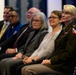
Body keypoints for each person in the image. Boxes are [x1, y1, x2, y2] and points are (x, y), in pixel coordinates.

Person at [21, 4, 76, 75]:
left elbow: (69, 54)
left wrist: (50, 61)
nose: (63, 15)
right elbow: (56, 50)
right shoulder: (65, 30)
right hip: (56, 62)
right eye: (63, 12)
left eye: (67, 13)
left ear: (73, 16)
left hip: (63, 66)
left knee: (27, 70)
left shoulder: (73, 31)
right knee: (24, 68)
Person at [15, 10, 62, 75]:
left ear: (60, 20)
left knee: (22, 68)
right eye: (50, 17)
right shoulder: (48, 34)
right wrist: (30, 58)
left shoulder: (58, 34)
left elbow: (47, 51)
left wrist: (32, 60)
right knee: (20, 68)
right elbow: (39, 49)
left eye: (53, 17)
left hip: (45, 60)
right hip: (37, 58)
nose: (51, 19)